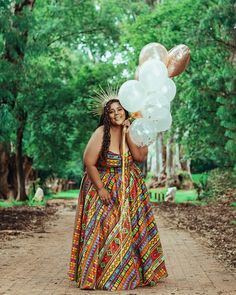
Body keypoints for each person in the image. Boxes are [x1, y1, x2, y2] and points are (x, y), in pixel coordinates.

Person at [68, 91, 168, 291]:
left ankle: (134, 273)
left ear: (126, 110)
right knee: (107, 228)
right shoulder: (100, 133)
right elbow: (89, 163)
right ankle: (105, 275)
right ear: (107, 115)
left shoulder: (134, 129)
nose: (116, 114)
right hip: (104, 187)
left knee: (131, 230)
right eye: (111, 112)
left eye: (119, 109)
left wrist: (127, 133)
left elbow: (139, 157)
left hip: (130, 190)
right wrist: (101, 188)